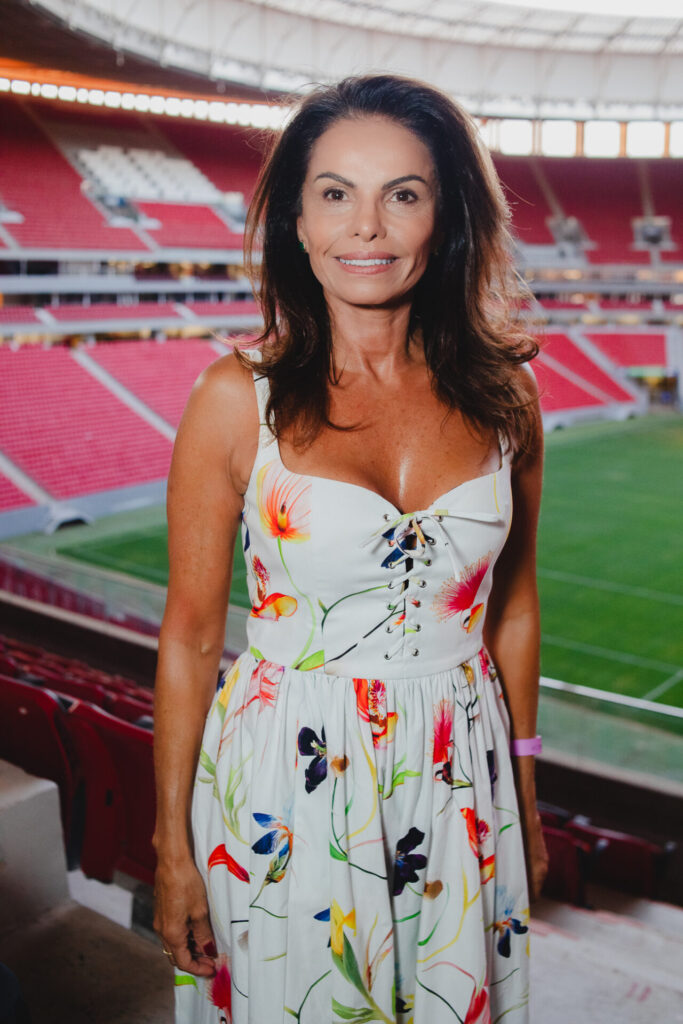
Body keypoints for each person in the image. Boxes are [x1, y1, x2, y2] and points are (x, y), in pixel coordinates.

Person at [153, 73, 548, 1024]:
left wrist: (525, 800)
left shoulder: (508, 396)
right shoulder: (231, 398)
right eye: (335, 193)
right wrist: (170, 846)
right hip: (287, 781)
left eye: (401, 194)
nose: (365, 226)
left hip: (462, 778)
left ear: (445, 218)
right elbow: (191, 637)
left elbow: (514, 609)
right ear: (296, 221)